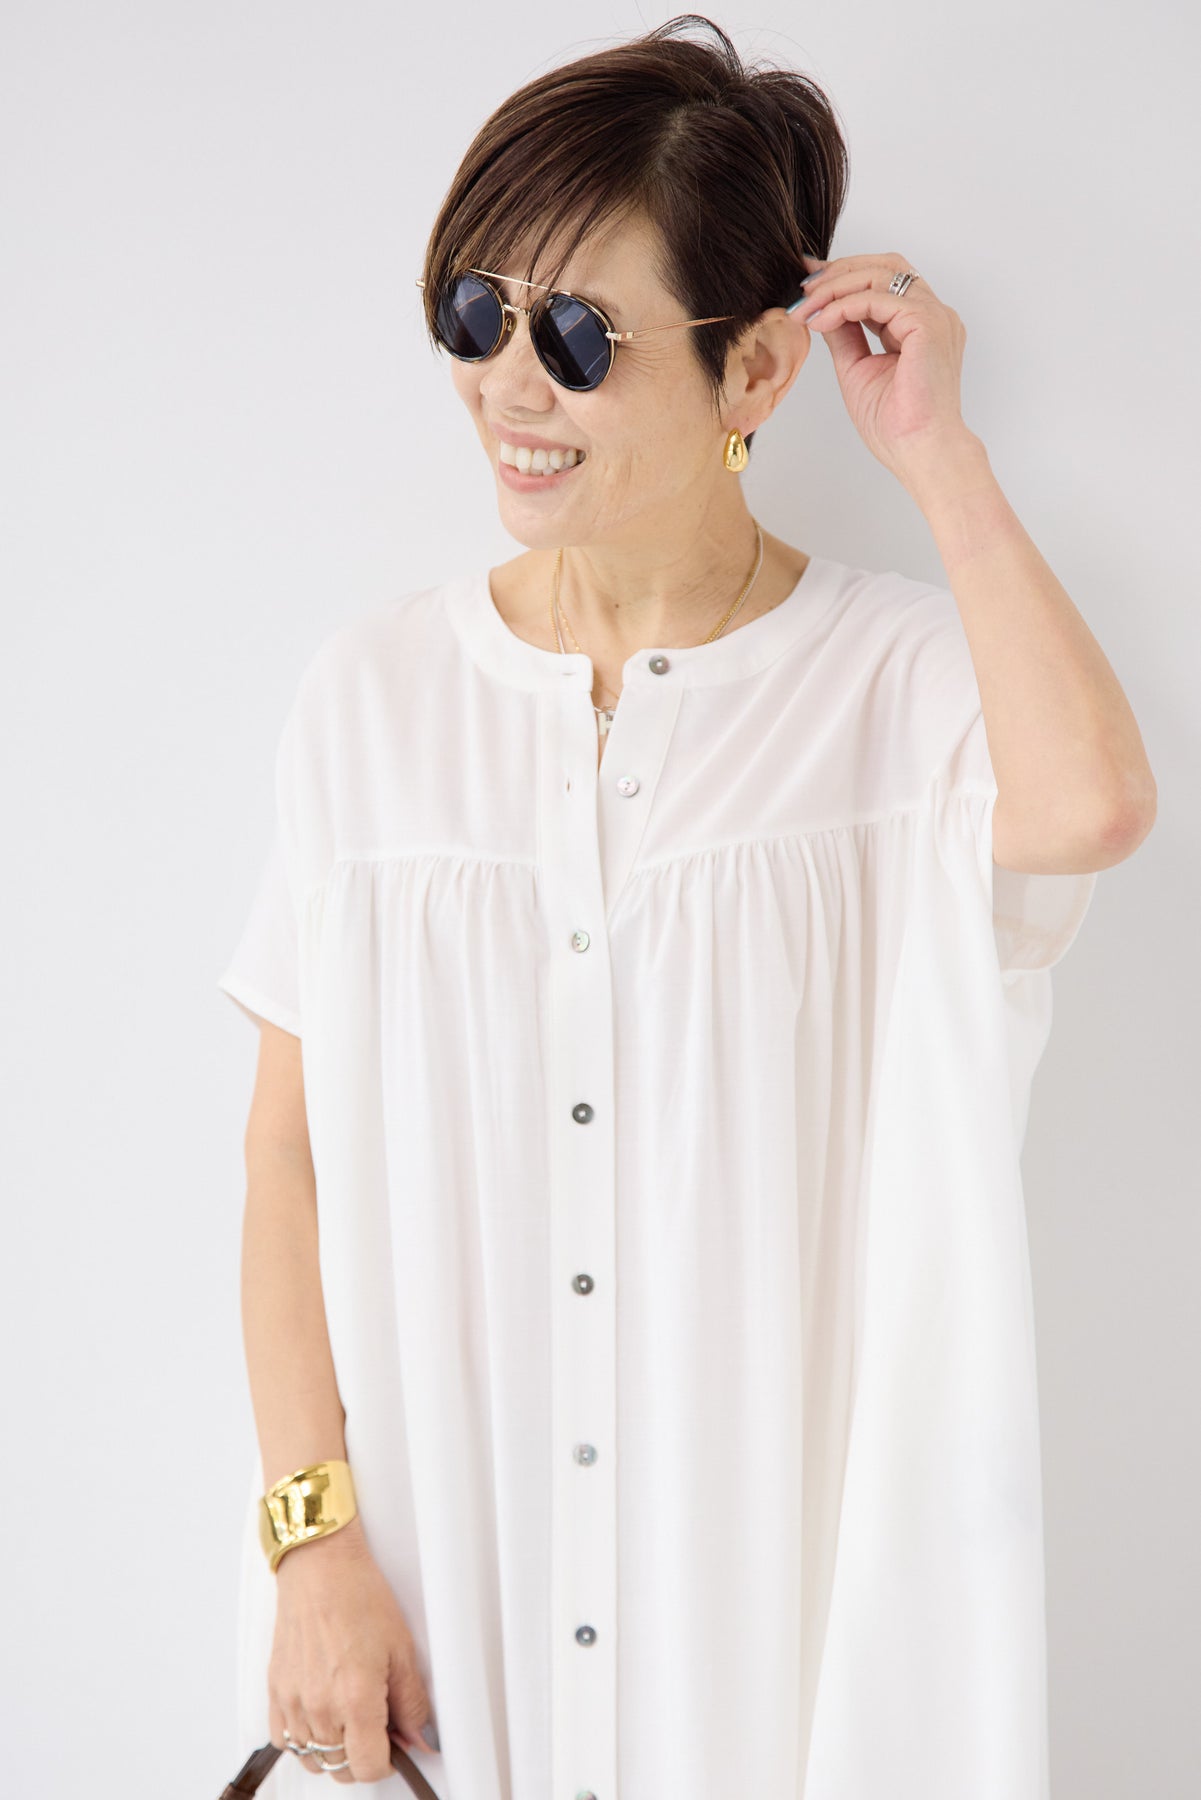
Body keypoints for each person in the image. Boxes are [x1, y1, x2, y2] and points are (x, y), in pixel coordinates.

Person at [217, 15, 1156, 1799]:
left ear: (753, 372)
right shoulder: (374, 699)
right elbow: (286, 1156)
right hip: (441, 1623)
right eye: (474, 314)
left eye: (578, 338)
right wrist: (308, 1542)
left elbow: (1092, 809)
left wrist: (935, 454)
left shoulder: (895, 686)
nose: (509, 388)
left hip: (768, 1637)